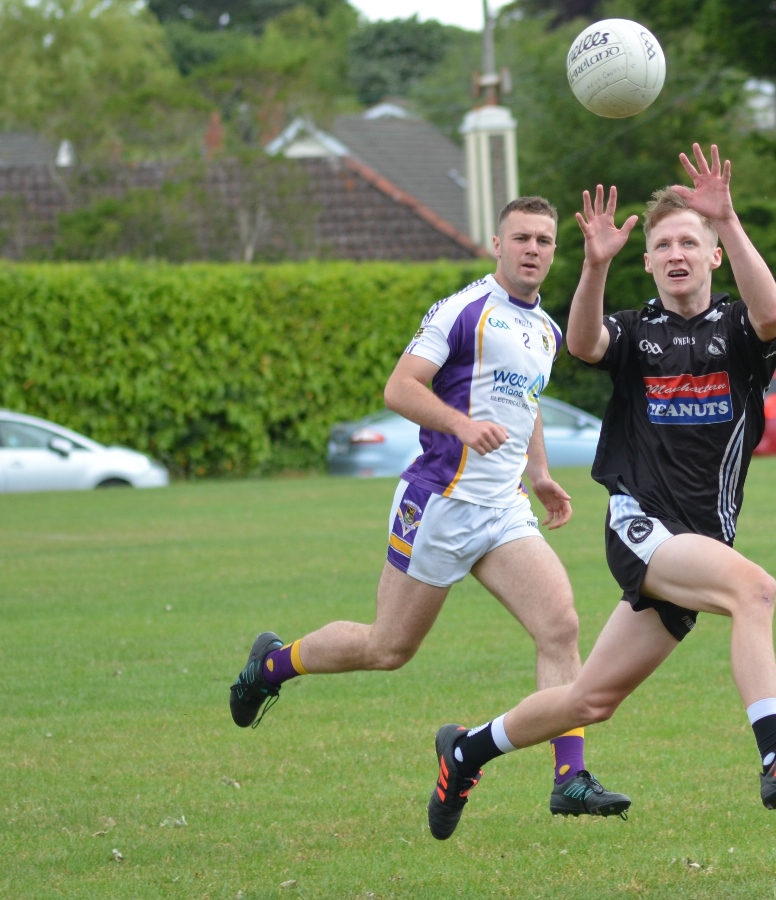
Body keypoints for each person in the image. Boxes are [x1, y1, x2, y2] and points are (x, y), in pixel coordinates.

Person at [426, 145, 776, 841]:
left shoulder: (738, 333)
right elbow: (586, 343)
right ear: (648, 262)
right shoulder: (634, 330)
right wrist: (594, 263)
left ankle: (467, 750)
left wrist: (730, 218)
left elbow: (772, 312)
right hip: (641, 524)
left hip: (701, 539)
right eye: (662, 245)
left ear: (714, 256)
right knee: (756, 591)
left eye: (690, 241)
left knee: (591, 699)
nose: (676, 252)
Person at [228, 196, 630, 824]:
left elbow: (526, 404)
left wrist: (541, 473)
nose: (532, 249)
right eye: (521, 237)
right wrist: (460, 426)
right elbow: (400, 387)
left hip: (503, 510)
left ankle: (570, 777)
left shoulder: (546, 329)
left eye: (544, 241)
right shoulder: (463, 311)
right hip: (439, 504)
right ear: (496, 244)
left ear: (556, 251)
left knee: (561, 628)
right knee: (388, 648)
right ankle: (271, 665)